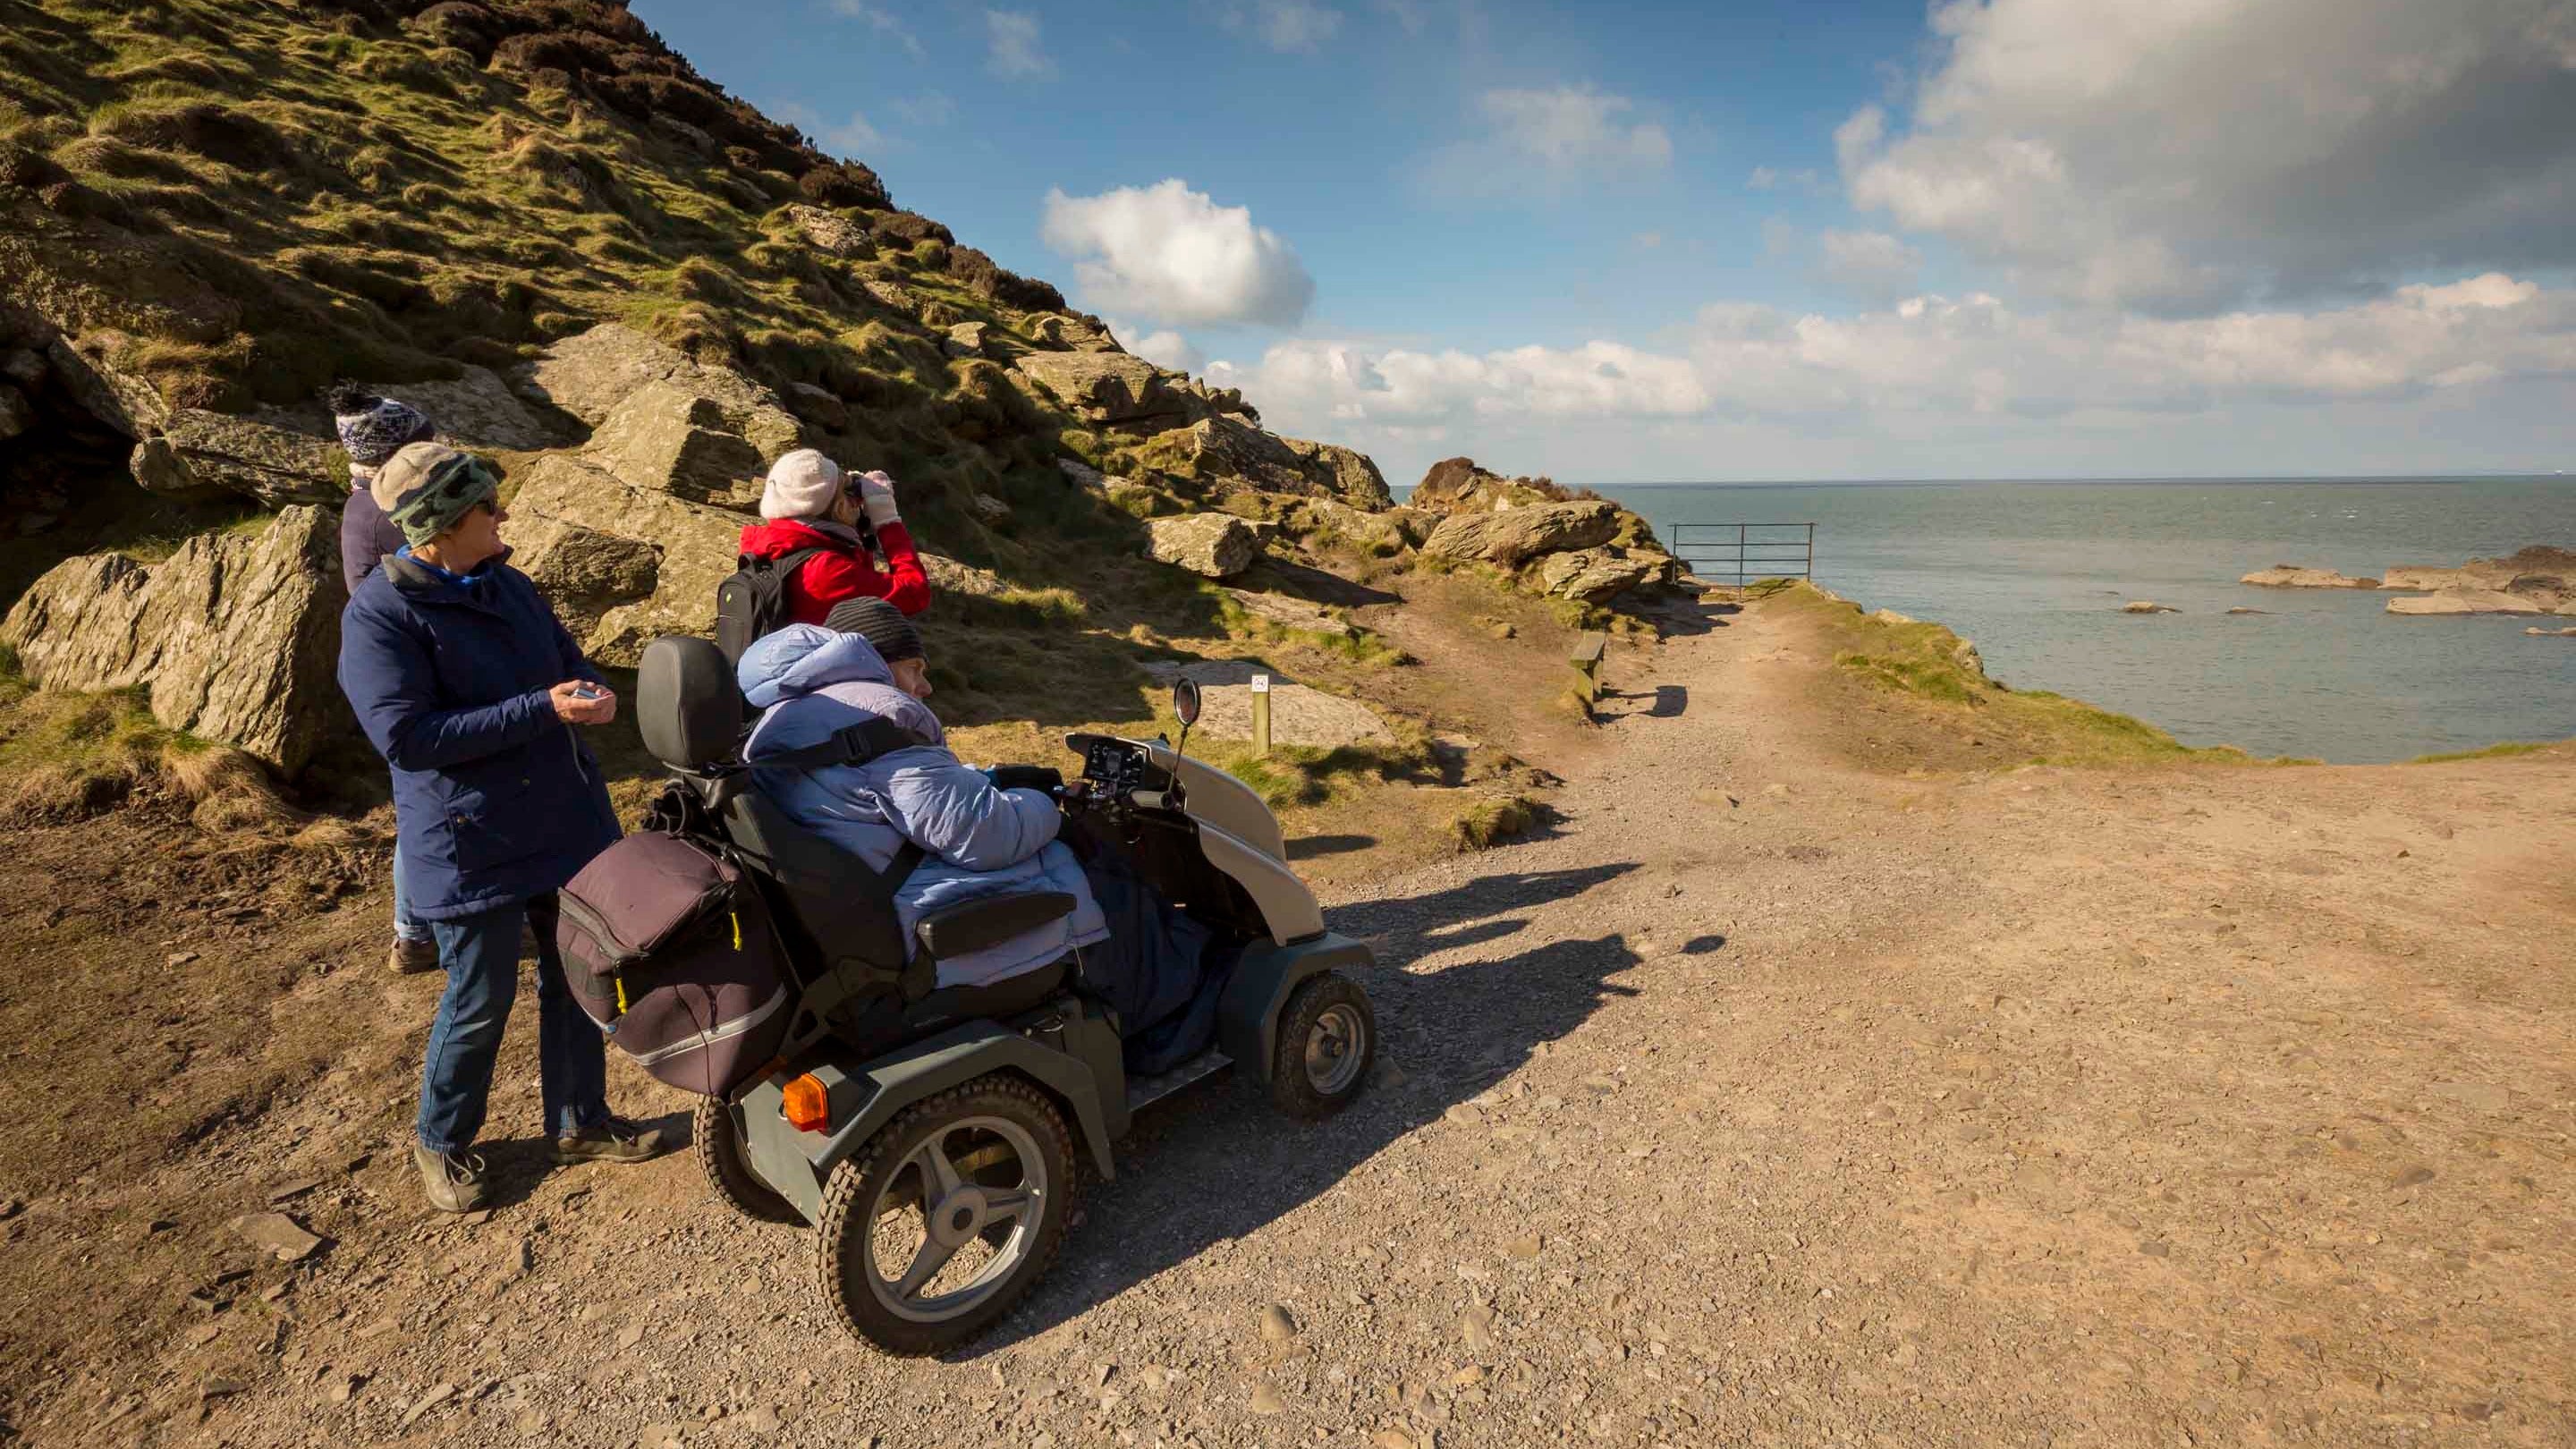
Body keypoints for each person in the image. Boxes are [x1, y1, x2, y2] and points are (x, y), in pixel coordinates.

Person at [337, 440, 667, 1214]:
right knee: (480, 996)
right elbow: (406, 739)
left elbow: (563, 662)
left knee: (581, 978)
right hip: (468, 839)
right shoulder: (379, 617)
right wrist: (542, 707)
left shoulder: (509, 584)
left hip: (562, 820)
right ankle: (442, 1142)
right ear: (444, 524)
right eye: (488, 505)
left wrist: (589, 691)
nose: (504, 513)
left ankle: (581, 1122)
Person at [737, 599, 1225, 1068]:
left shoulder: (788, 718)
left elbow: (892, 793)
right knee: (1101, 876)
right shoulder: (874, 714)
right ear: (876, 663)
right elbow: (984, 836)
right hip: (919, 919)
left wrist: (992, 781)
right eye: (915, 669)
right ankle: (1165, 1020)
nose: (924, 687)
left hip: (867, 894)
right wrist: (1050, 806)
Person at [330, 386, 442, 975]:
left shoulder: (365, 504)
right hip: (415, 672)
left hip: (407, 667)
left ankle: (419, 930)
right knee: (423, 805)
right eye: (425, 444)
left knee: (424, 802)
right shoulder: (385, 515)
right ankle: (415, 932)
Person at [736, 448, 930, 623]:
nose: (855, 499)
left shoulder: (775, 546)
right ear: (835, 507)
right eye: (848, 492)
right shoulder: (824, 570)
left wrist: (858, 519)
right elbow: (914, 593)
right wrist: (888, 521)